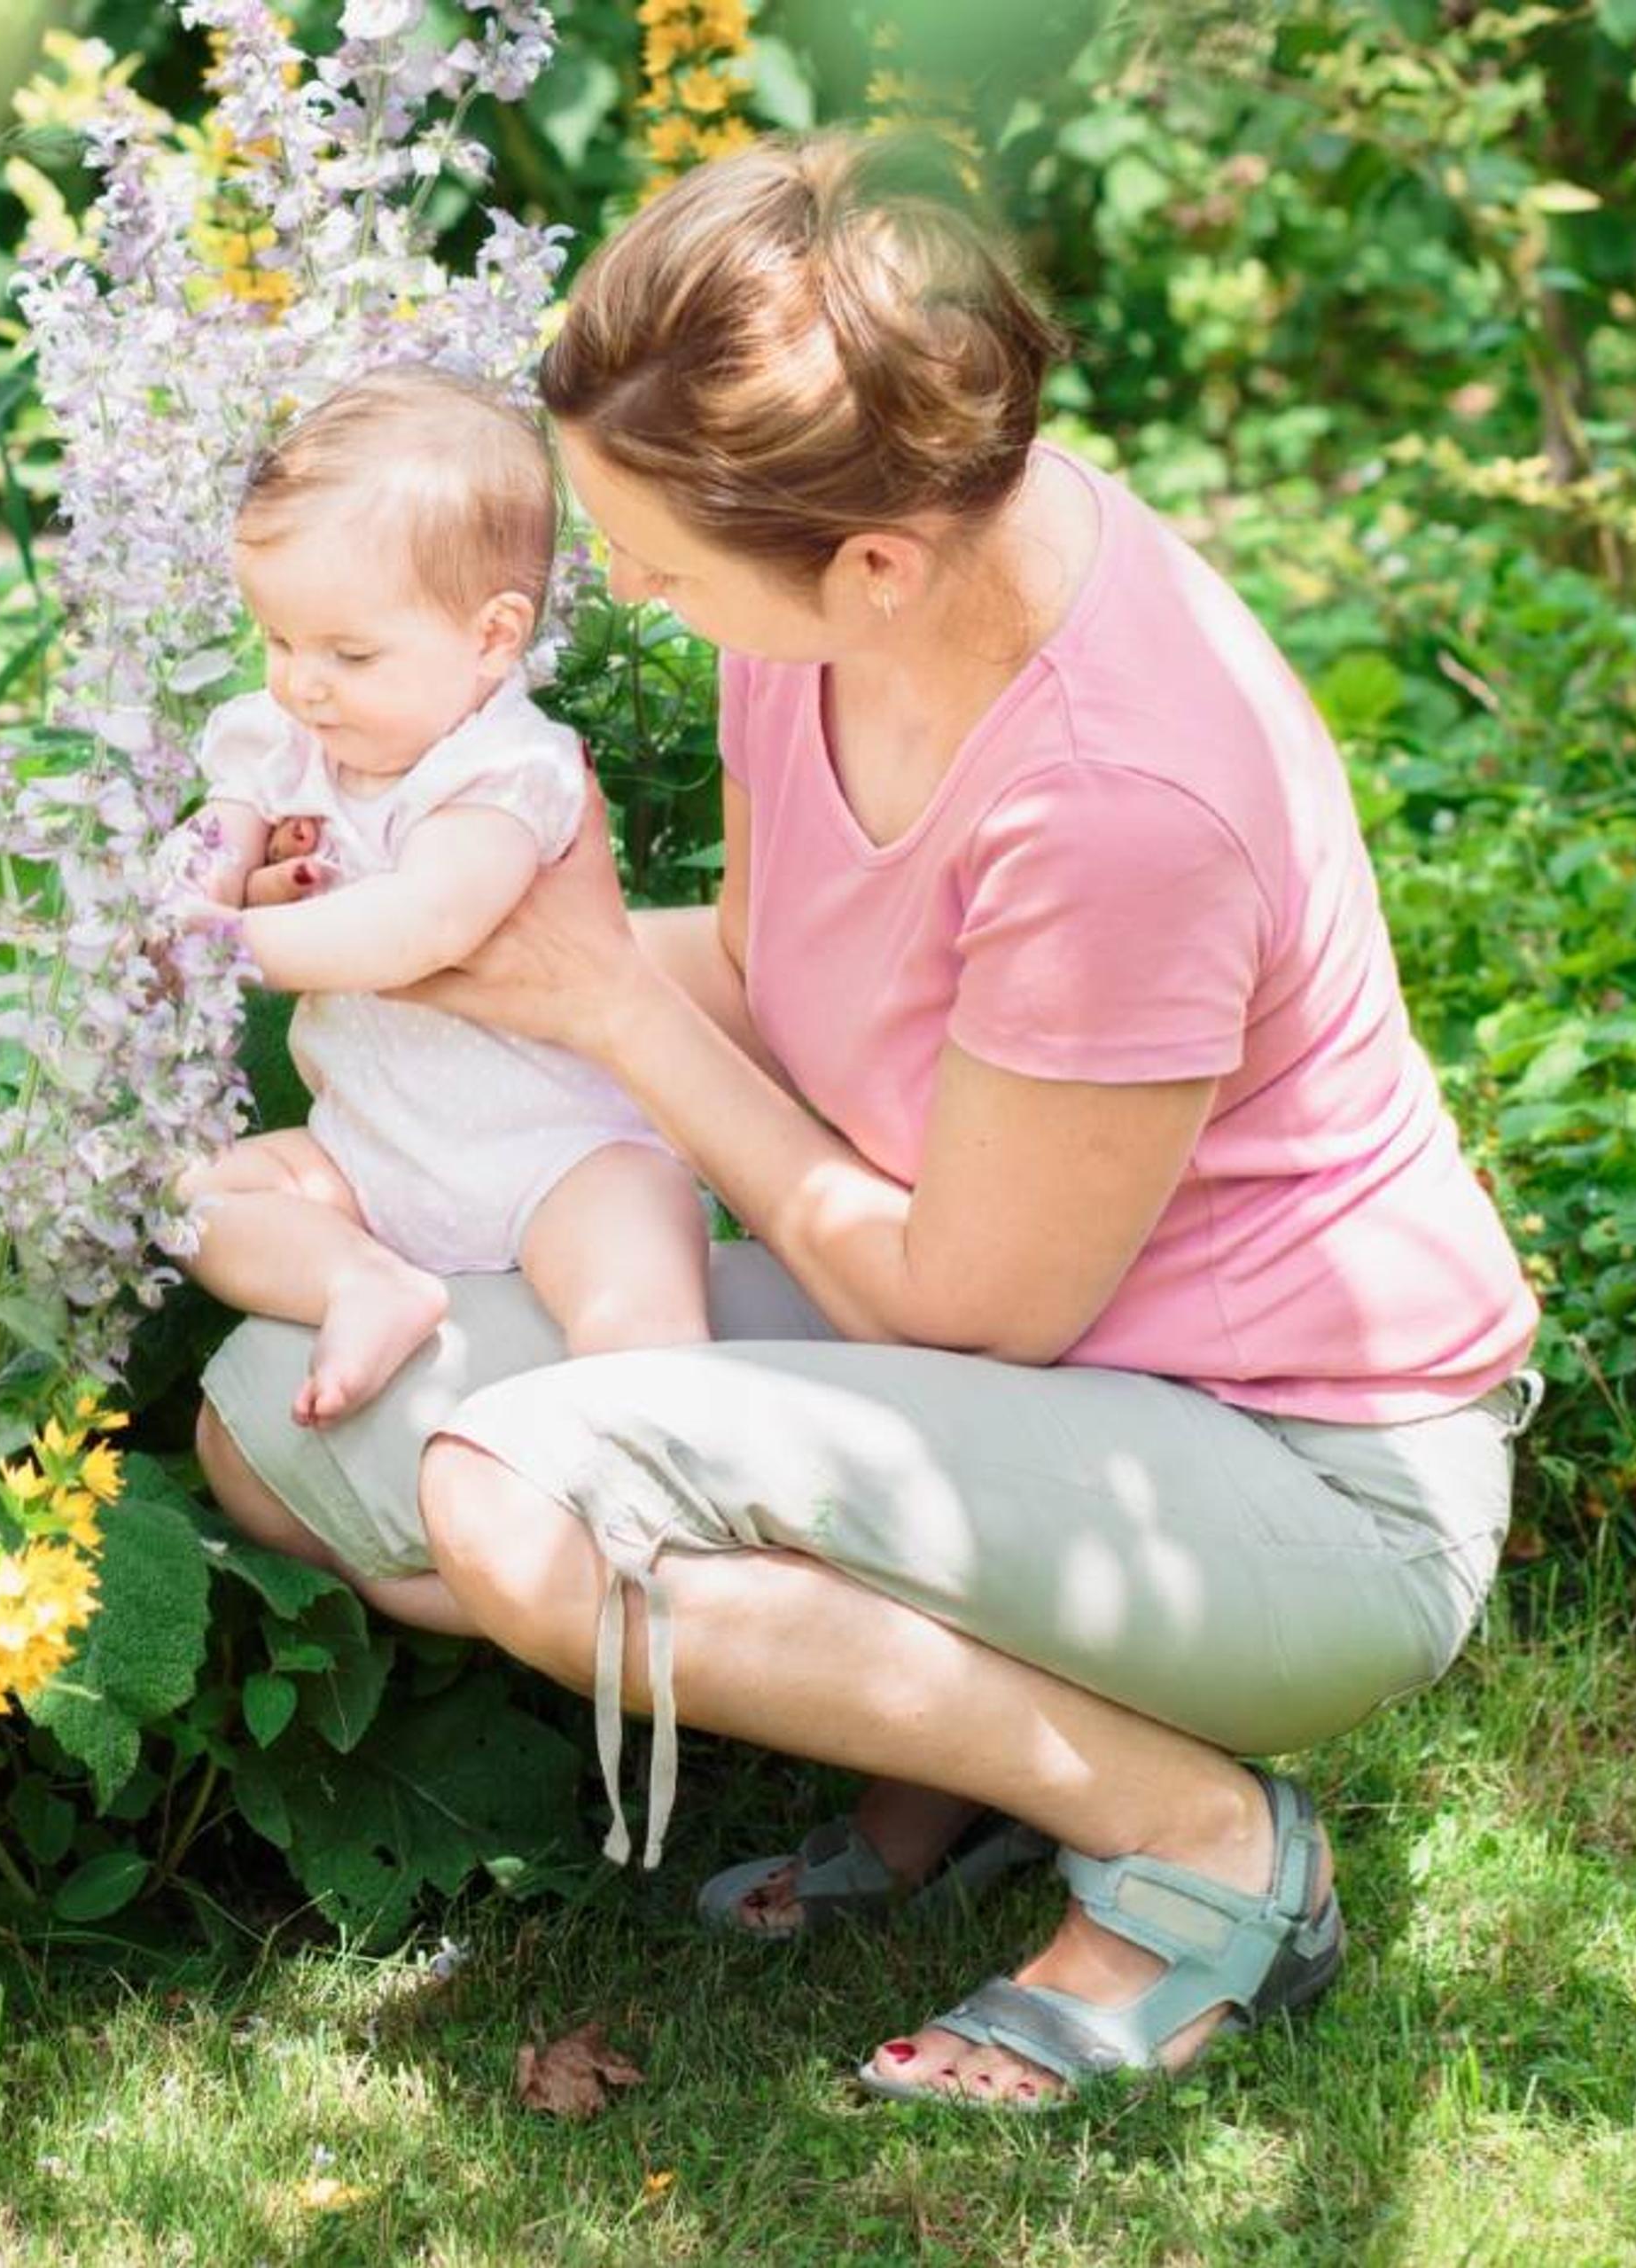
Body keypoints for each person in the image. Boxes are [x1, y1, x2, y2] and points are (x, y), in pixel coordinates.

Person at [192, 134, 1543, 2111]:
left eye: (648, 562)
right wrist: (406, 937)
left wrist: (598, 1009)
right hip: (1022, 1371)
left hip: (1291, 1469)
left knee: (517, 1497)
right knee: (279, 1414)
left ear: (875, 558)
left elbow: (963, 1298)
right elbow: (774, 967)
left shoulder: (1116, 804)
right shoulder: (845, 596)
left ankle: (1198, 1834)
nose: (621, 597)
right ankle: (974, 1756)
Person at [167, 368, 709, 1430]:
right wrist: (186, 894)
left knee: (636, 1287)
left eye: (349, 652)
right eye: (277, 641)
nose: (302, 683)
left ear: (493, 638)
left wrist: (228, 944)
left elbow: (424, 925)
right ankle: (362, 1284)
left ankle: (657, 1462)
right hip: (370, 1152)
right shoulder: (288, 734)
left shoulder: (505, 770)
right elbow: (213, 840)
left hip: (552, 1151)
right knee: (194, 1200)